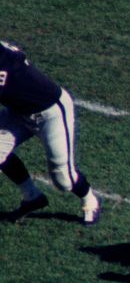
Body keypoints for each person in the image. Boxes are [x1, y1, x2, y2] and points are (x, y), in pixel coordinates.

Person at [0, 39, 100, 224]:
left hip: (51, 113)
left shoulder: (4, 67)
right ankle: (32, 197)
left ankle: (89, 200)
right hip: (19, 112)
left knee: (63, 179)